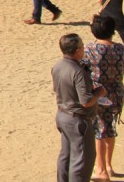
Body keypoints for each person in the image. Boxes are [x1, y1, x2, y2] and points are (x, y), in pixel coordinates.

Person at [53, 32, 104, 182]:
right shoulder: (77, 72)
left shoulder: (58, 65)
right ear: (77, 51)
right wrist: (99, 93)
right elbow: (86, 101)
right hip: (77, 120)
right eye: (82, 47)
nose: (83, 49)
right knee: (82, 160)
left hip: (63, 115)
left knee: (66, 156)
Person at [84, 15, 124, 181]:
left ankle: (101, 169)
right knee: (109, 128)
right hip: (117, 92)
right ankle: (108, 165)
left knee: (100, 130)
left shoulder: (90, 49)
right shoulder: (120, 48)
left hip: (99, 94)